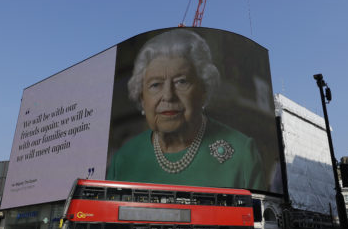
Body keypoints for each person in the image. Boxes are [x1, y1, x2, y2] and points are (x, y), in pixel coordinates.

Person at [106, 29, 265, 189]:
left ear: (203, 90)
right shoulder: (123, 159)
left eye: (181, 82)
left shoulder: (241, 153)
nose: (168, 96)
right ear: (142, 98)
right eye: (155, 85)